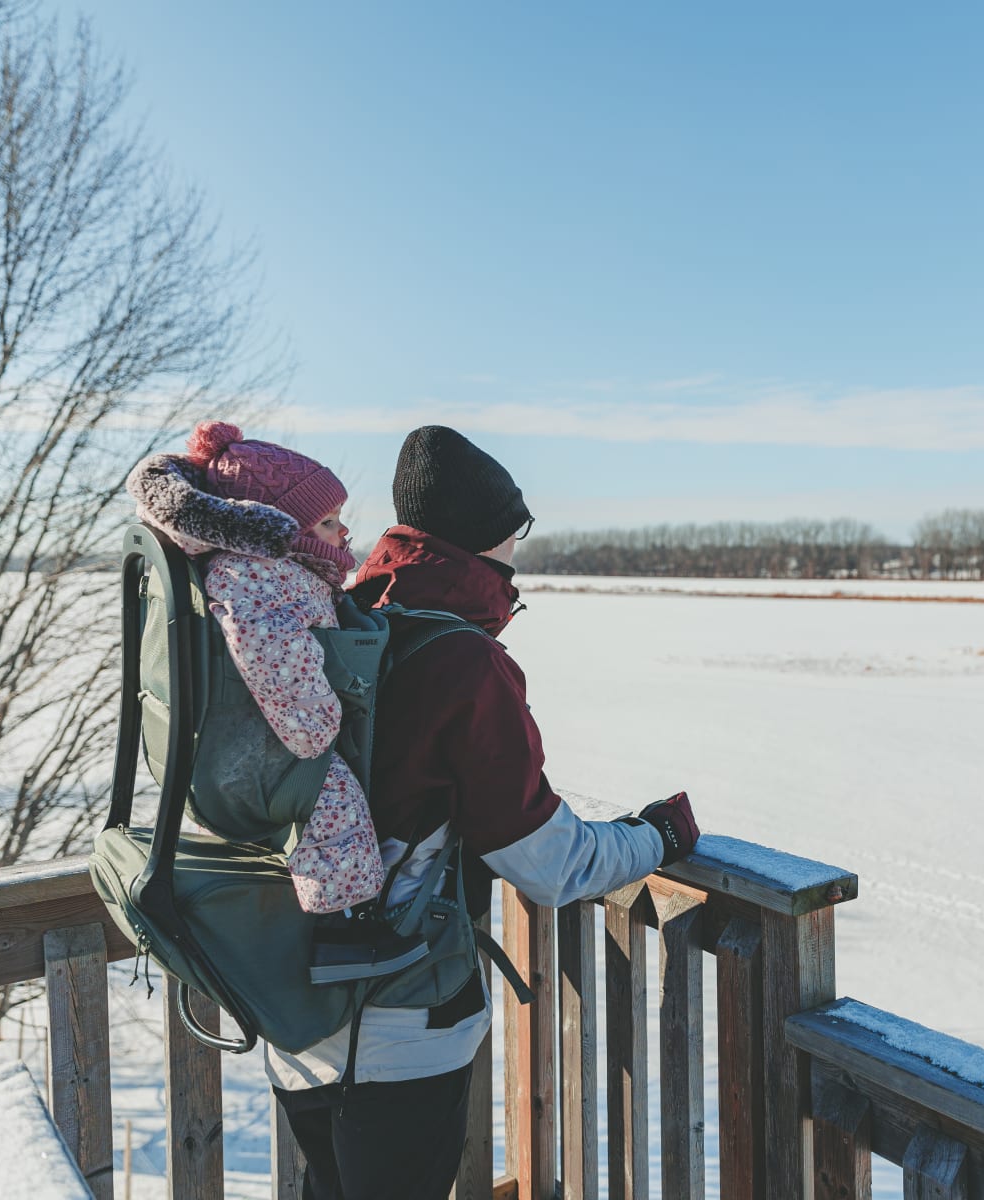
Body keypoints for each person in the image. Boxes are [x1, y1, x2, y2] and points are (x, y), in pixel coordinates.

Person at [267, 424, 700, 1200]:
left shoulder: (346, 612)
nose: (517, 553)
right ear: (485, 539)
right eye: (514, 533)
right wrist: (656, 836)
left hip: (296, 1011)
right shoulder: (464, 661)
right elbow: (551, 862)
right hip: (399, 1025)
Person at [127, 420, 426, 981]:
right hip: (263, 750)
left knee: (334, 801)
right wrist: (317, 726)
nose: (342, 534)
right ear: (276, 523)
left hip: (247, 744)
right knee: (336, 802)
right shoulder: (258, 574)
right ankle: (343, 931)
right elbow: (271, 652)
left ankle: (342, 915)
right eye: (328, 522)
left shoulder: (275, 568)